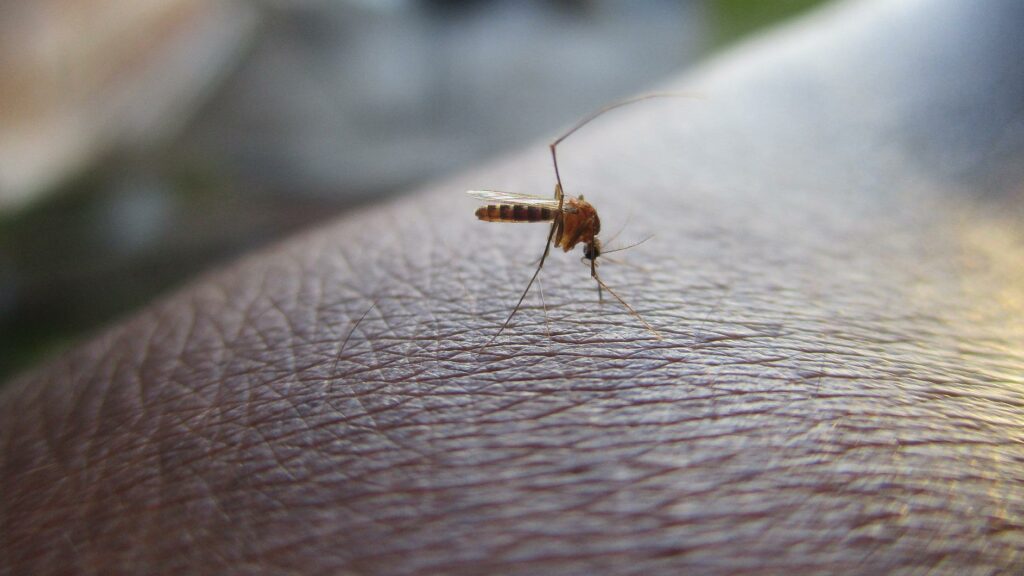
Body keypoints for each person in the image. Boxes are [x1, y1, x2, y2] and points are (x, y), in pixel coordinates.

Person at [3, 0, 1022, 572]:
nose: (585, 232)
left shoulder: (583, 212)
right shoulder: (563, 203)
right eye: (584, 231)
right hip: (500, 194)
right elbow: (570, 217)